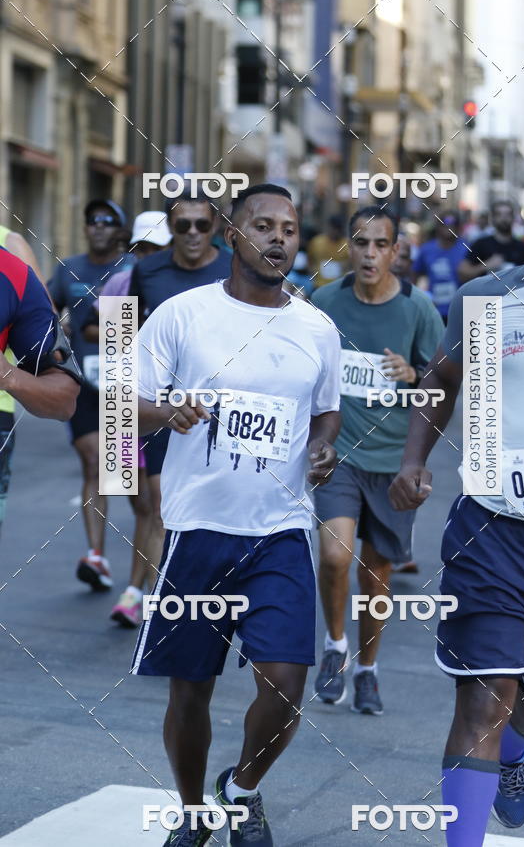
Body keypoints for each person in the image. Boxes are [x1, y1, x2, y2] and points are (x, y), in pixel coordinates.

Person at [388, 166, 524, 845]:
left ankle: (515, 755)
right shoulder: (484, 302)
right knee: (483, 701)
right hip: (492, 533)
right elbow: (441, 380)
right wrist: (414, 458)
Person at [131, 183, 340, 846]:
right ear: (231, 233)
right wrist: (168, 413)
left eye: (290, 227)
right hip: (196, 532)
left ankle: (241, 790)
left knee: (284, 686)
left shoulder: (316, 328)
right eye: (264, 225)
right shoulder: (180, 315)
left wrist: (324, 447)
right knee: (189, 692)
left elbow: (326, 409)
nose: (279, 237)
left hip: (278, 532)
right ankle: (193, 813)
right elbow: (123, 404)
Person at [311, 206, 444, 714]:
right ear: (350, 247)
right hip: (339, 453)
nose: (369, 254)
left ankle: (367, 668)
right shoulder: (325, 301)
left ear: (394, 251)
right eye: (361, 243)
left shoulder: (419, 309)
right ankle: (335, 646)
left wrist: (412, 374)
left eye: (379, 245)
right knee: (335, 556)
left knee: (376, 575)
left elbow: (442, 386)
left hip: (393, 460)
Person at [127, 191, 232, 629]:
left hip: (218, 412)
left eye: (201, 225)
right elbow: (123, 333)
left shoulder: (234, 267)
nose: (191, 234)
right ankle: (154, 595)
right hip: (158, 408)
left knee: (188, 508)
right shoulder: (146, 271)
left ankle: (166, 597)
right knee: (156, 505)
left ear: (216, 228)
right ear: (169, 228)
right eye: (181, 225)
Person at [82, 211, 172, 626]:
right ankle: (149, 577)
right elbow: (104, 339)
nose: (149, 255)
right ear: (134, 249)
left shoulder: (181, 285)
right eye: (143, 248)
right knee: (136, 502)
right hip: (126, 404)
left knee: (155, 505)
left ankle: (138, 592)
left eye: (157, 247)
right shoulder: (123, 283)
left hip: (170, 408)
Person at [48, 199, 137, 592]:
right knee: (95, 463)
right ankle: (96, 555)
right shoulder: (69, 269)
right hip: (83, 383)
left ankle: (147, 570)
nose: (98, 226)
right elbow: (45, 311)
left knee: (133, 483)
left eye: (107, 221)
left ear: (119, 230)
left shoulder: (136, 269)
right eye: (92, 221)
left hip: (129, 385)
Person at [1, 239, 81, 534]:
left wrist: (8, 375)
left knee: (109, 466)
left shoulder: (13, 272)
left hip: (116, 388)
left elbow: (63, 397)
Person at [458, 200, 524, 282]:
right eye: (499, 214)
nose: (504, 218)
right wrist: (485, 266)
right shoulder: (480, 245)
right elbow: (462, 273)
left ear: (513, 217)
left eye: (508, 214)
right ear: (492, 218)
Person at [413, 212, 467, 322]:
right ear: (438, 227)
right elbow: (415, 274)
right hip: (434, 310)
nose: (449, 228)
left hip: (461, 310)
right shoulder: (427, 249)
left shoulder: (466, 248)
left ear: (458, 227)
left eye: (453, 225)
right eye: (444, 224)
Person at [307, 214, 348, 288]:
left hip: (338, 287)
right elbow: (309, 260)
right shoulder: (317, 242)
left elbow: (351, 266)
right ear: (329, 227)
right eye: (334, 228)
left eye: (338, 228)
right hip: (318, 285)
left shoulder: (347, 245)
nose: (336, 231)